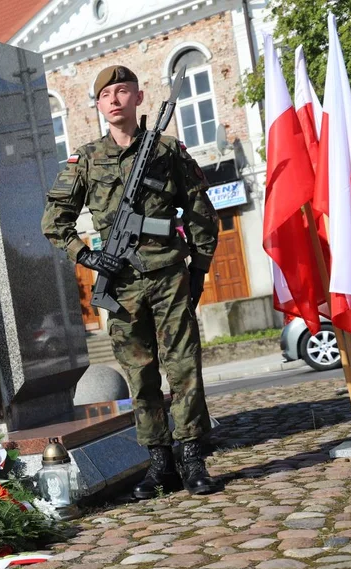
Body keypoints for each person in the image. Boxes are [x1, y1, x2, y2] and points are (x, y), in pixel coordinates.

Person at [40, 65, 221, 499]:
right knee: (140, 375)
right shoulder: (85, 159)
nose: (116, 100)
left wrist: (197, 270)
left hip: (167, 275)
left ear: (139, 98)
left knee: (183, 366)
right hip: (120, 283)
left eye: (124, 91)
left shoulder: (168, 150)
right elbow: (54, 220)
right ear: (99, 105)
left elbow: (199, 212)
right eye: (107, 95)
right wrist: (85, 254)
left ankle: (192, 455)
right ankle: (160, 462)